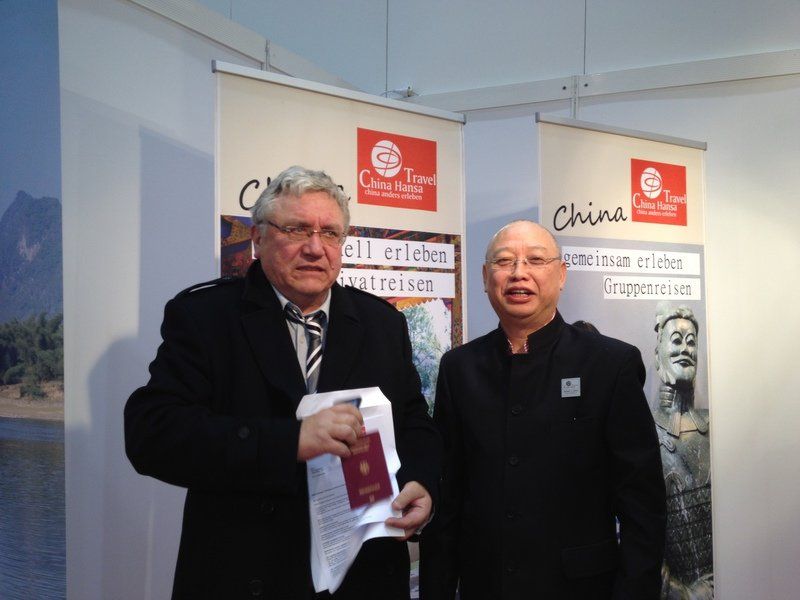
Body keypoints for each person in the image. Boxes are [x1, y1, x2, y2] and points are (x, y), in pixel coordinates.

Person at [124, 166, 441, 599]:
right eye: (296, 229)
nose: (315, 247)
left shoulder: (382, 323)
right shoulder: (205, 318)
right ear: (258, 238)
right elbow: (152, 434)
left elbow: (415, 422)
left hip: (363, 575)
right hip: (245, 573)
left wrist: (422, 482)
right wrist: (290, 441)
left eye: (330, 233)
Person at [420, 220, 666, 599]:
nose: (519, 273)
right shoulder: (460, 368)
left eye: (536, 260)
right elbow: (449, 498)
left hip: (580, 589)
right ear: (485, 277)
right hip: (487, 586)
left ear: (561, 274)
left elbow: (642, 505)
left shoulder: (609, 364)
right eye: (504, 261)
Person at [651, 304, 713, 600]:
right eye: (676, 340)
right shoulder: (643, 430)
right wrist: (682, 594)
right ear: (657, 355)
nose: (685, 349)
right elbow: (634, 530)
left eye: (691, 342)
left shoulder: (716, 425)